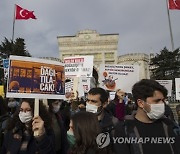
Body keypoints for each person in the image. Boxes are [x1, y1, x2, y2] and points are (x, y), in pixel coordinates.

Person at [114, 79, 180, 154]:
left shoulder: (171, 126)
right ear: (141, 103)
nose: (162, 104)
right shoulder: (125, 129)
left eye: (163, 100)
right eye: (157, 101)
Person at [86, 87, 119, 153]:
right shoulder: (81, 121)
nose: (89, 104)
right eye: (88, 100)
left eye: (93, 101)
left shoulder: (114, 124)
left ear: (104, 104)